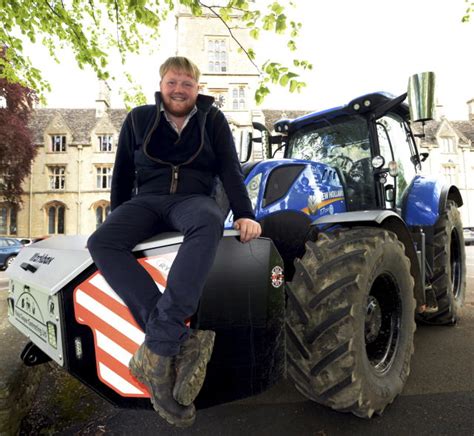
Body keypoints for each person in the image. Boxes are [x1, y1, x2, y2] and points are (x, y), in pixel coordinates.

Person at [87, 56, 261, 427]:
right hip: (145, 200)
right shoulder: (138, 118)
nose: (179, 89)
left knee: (210, 221)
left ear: (197, 88)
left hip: (192, 200)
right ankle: (178, 340)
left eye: (187, 83)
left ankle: (158, 347)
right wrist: (119, 215)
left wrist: (246, 214)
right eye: (172, 82)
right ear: (161, 84)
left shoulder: (212, 120)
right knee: (101, 242)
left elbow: (230, 168)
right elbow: (122, 171)